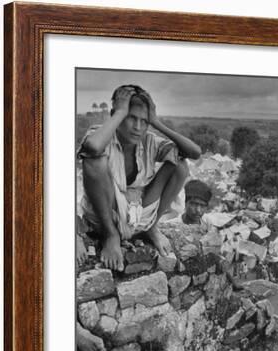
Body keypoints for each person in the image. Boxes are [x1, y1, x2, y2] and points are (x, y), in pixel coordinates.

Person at [78, 84, 201, 270]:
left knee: (180, 165)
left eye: (144, 121)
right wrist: (119, 113)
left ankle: (151, 227)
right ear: (116, 115)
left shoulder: (150, 141)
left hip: (140, 216)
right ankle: (112, 236)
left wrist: (156, 122)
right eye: (131, 118)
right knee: (94, 161)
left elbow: (194, 152)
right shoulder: (100, 135)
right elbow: (93, 148)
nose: (137, 127)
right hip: (104, 217)